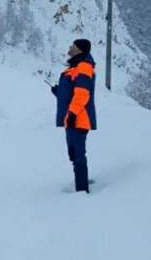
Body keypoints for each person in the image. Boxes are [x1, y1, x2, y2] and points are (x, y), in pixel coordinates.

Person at [51, 39, 97, 193]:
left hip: (78, 118)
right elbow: (71, 94)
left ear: (79, 50)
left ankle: (82, 190)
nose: (70, 47)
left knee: (77, 153)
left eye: (73, 46)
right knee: (74, 152)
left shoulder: (84, 67)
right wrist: (59, 92)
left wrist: (72, 114)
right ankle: (81, 181)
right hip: (73, 118)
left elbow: (82, 94)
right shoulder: (75, 67)